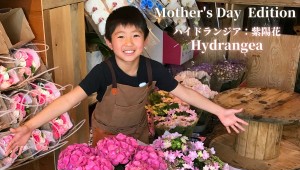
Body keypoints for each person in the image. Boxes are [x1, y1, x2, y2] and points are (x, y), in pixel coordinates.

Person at [6, 5, 248, 156]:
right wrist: (29, 126)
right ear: (110, 43)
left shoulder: (152, 69)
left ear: (145, 40)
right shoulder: (102, 72)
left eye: (135, 35)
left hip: (139, 135)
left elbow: (183, 92)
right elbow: (68, 100)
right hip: (106, 136)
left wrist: (220, 111)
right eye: (121, 36)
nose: (129, 43)